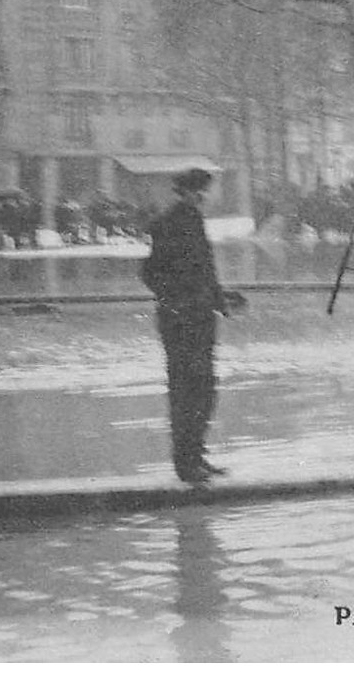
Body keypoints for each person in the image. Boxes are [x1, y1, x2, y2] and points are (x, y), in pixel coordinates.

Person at [141, 167, 244, 484]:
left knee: (198, 390)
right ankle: (187, 463)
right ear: (188, 193)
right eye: (200, 191)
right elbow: (154, 272)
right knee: (191, 391)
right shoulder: (175, 222)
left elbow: (199, 273)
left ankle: (194, 456)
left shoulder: (186, 220)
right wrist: (180, 299)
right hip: (185, 319)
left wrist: (219, 299)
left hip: (194, 317)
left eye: (204, 191)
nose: (204, 197)